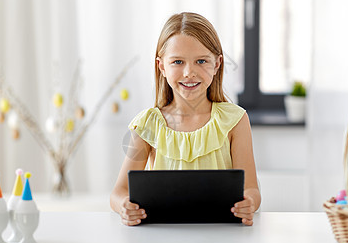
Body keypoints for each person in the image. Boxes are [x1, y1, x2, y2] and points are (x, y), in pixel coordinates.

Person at [110, 12, 261, 226]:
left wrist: (250, 202)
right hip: (162, 237)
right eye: (178, 62)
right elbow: (118, 191)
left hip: (222, 235)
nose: (189, 72)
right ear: (162, 66)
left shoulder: (235, 120)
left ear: (217, 64)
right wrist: (124, 205)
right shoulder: (147, 124)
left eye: (201, 61)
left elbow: (251, 189)